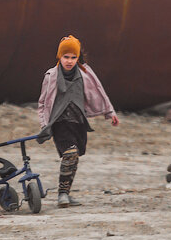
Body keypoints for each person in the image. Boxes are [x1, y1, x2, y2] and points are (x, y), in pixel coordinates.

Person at [37, 35, 119, 208]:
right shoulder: (51, 76)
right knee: (70, 154)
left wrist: (109, 112)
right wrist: (44, 125)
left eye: (73, 57)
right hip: (60, 124)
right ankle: (61, 196)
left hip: (78, 122)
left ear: (77, 58)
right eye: (66, 57)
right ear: (59, 57)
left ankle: (65, 193)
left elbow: (99, 91)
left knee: (74, 158)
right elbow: (43, 103)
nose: (69, 61)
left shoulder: (85, 73)